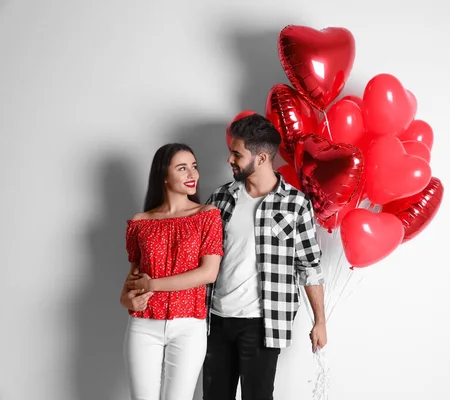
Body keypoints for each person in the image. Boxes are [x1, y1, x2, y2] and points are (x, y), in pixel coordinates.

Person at [202, 113, 327, 400]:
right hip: (216, 321)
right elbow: (197, 255)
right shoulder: (220, 199)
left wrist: (319, 321)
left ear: (260, 159)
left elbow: (309, 265)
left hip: (263, 323)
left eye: (236, 154)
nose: (229, 160)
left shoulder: (295, 204)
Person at [119, 143, 223, 400]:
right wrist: (128, 299)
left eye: (194, 167)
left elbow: (208, 274)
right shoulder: (141, 223)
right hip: (143, 324)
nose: (193, 175)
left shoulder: (207, 216)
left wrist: (151, 285)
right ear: (164, 176)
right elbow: (130, 286)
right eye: (182, 168)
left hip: (189, 326)